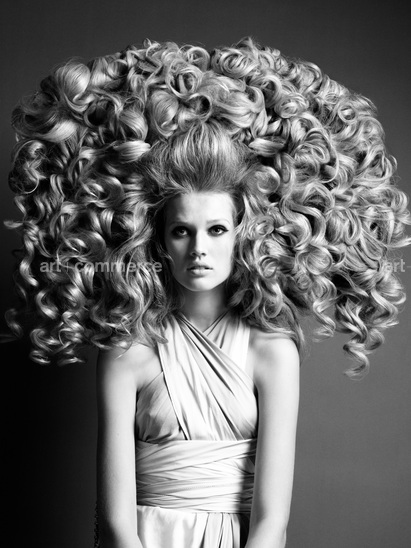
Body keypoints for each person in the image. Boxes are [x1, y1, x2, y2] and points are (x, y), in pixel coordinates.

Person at [4, 38, 410, 548]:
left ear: (243, 234)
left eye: (216, 229)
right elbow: (116, 523)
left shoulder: (273, 351)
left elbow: (272, 522)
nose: (199, 248)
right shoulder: (128, 352)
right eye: (182, 231)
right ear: (159, 240)